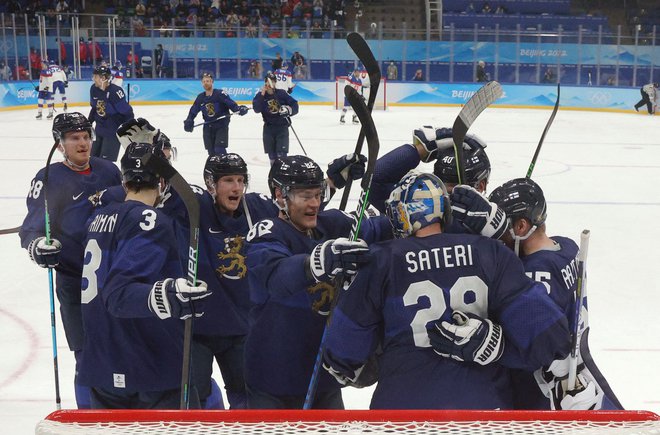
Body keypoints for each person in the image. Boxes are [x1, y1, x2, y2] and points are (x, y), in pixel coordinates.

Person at [322, 171, 570, 409]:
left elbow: (343, 356)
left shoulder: (380, 261)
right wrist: (500, 349)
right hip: (483, 411)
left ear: (399, 216)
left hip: (400, 414)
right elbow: (551, 338)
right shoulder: (491, 251)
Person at [244, 155, 389, 409]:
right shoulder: (266, 232)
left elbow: (379, 228)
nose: (314, 204)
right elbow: (276, 277)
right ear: (280, 195)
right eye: (305, 196)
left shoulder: (331, 224)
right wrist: (315, 262)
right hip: (273, 381)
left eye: (318, 195)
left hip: (324, 379)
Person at [78, 142, 211, 409]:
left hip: (102, 361)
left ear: (125, 183)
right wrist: (165, 295)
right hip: (149, 363)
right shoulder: (151, 220)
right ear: (162, 183)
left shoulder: (97, 219)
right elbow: (120, 293)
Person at [19, 112, 122, 408]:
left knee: (120, 349)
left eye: (86, 136)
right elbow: (32, 228)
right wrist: (39, 245)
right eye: (75, 138)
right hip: (75, 281)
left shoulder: (108, 170)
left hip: (114, 280)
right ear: (60, 143)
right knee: (87, 355)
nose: (83, 143)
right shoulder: (49, 178)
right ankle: (89, 417)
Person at [488, 178, 610, 410]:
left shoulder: (533, 273)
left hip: (548, 386)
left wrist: (495, 351)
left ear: (521, 227)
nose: (497, 235)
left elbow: (537, 347)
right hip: (580, 368)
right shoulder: (568, 246)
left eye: (502, 227)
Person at [183, 73, 249, 156]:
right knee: (211, 153)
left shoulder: (220, 94)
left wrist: (239, 109)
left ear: (212, 82)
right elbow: (193, 110)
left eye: (208, 81)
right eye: (204, 81)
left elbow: (231, 104)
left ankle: (225, 167)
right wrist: (189, 120)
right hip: (207, 127)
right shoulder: (200, 97)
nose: (206, 83)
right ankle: (215, 168)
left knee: (219, 149)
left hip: (221, 126)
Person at [88, 65, 134, 162]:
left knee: (106, 163)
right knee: (92, 160)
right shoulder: (93, 89)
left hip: (112, 131)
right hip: (99, 129)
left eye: (95, 77)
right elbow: (94, 108)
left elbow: (127, 112)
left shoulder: (115, 92)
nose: (93, 79)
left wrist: (130, 128)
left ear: (103, 78)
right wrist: (89, 122)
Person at [252, 72, 299, 165]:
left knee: (282, 155)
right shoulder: (260, 96)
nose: (270, 84)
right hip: (268, 128)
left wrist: (288, 110)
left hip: (282, 128)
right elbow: (256, 109)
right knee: (272, 156)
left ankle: (283, 175)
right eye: (268, 82)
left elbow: (295, 105)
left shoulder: (281, 93)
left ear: (275, 83)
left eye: (272, 82)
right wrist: (262, 95)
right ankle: (274, 175)